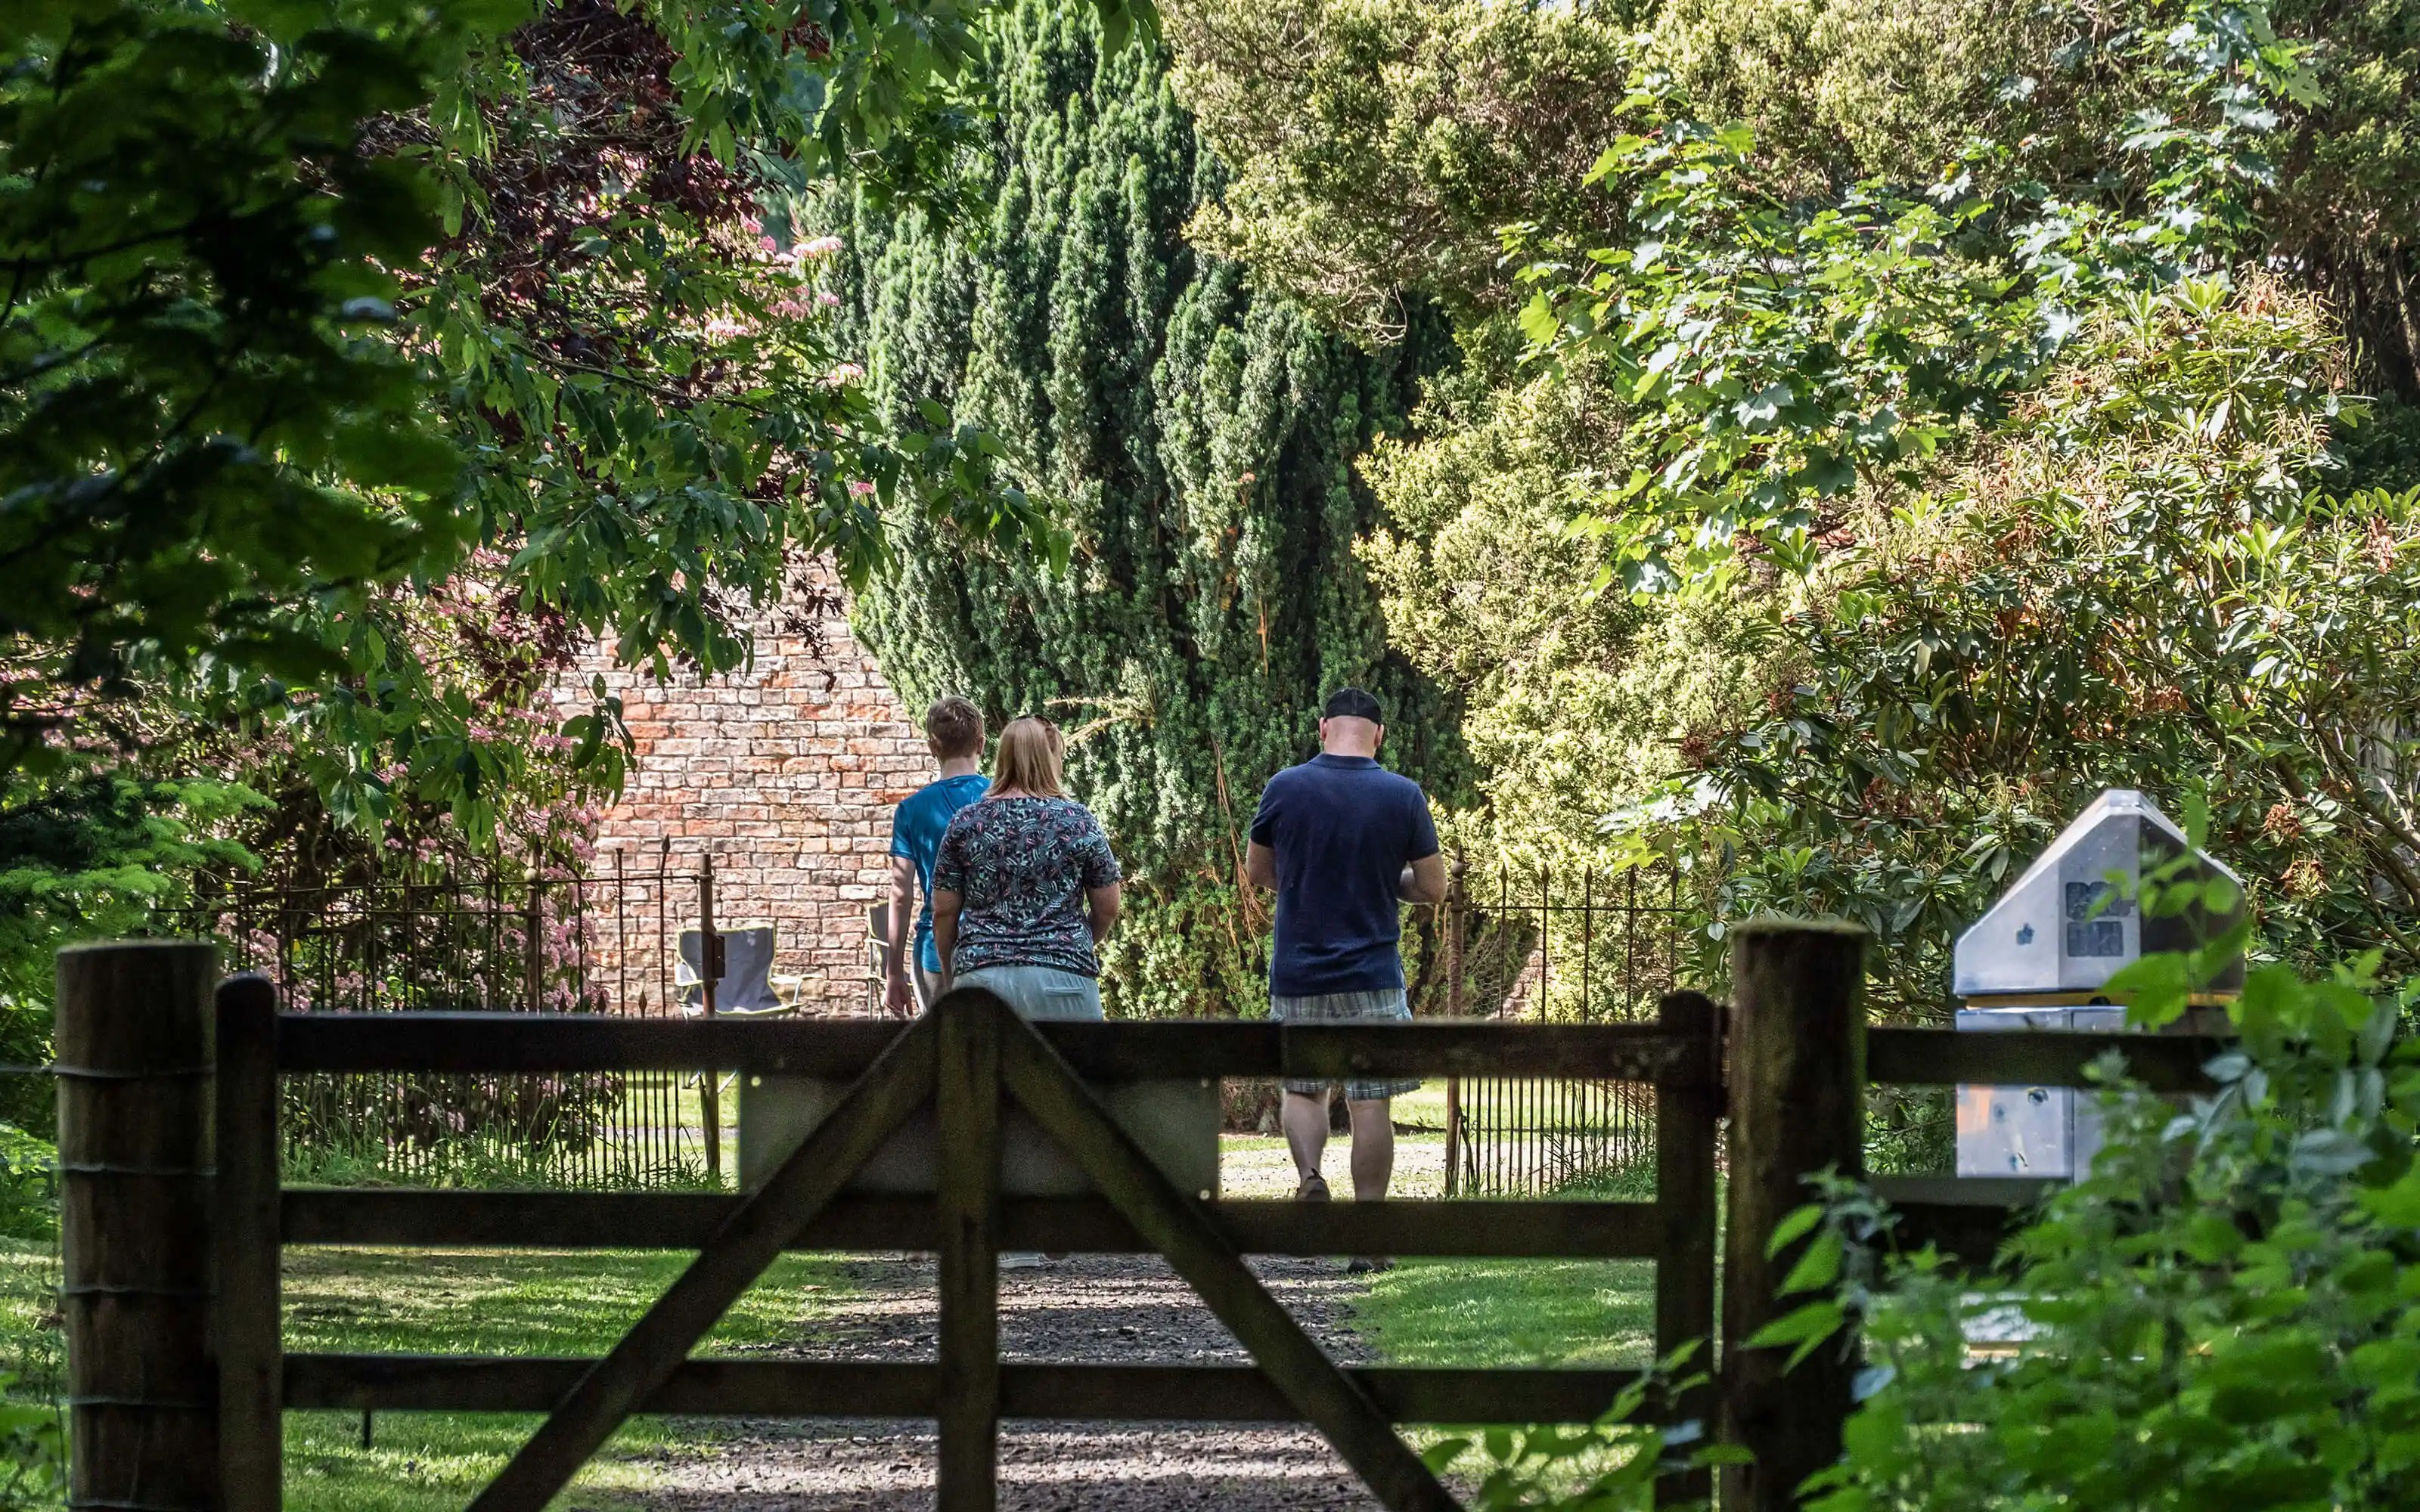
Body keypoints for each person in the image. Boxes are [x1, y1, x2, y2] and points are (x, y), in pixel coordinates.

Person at [1246, 686, 1447, 1272]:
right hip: (1373, 973)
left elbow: (1259, 871)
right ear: (1379, 734)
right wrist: (1386, 883)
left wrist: (1308, 882)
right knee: (1370, 1103)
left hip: (1299, 970)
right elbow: (1433, 888)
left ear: (1323, 728)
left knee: (1304, 1089)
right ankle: (1368, 1238)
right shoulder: (1403, 795)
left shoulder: (1285, 787)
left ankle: (1311, 1177)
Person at [930, 715, 1122, 1021]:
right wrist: (1071, 945)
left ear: (1002, 757)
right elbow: (1108, 907)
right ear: (1049, 759)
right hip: (1065, 982)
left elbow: (943, 910)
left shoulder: (966, 822)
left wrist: (952, 972)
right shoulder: (1078, 821)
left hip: (982, 982)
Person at [884, 697, 990, 1017]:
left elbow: (900, 893)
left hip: (933, 949)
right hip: (992, 947)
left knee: (941, 1044)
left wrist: (893, 971)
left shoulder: (911, 810)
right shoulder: (1001, 800)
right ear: (981, 744)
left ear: (933, 747)